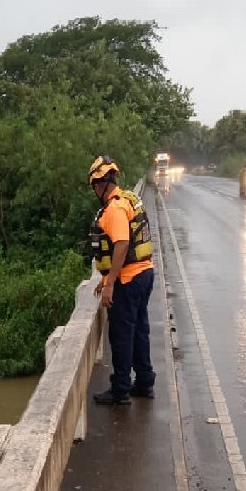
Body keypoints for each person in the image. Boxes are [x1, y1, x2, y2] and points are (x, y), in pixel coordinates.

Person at [87, 155, 156, 405]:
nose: (94, 190)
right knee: (139, 330)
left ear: (101, 184)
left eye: (94, 185)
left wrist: (110, 283)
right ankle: (145, 381)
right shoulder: (129, 199)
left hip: (128, 280)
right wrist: (106, 277)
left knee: (121, 334)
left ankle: (120, 390)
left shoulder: (114, 208)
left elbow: (122, 243)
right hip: (144, 273)